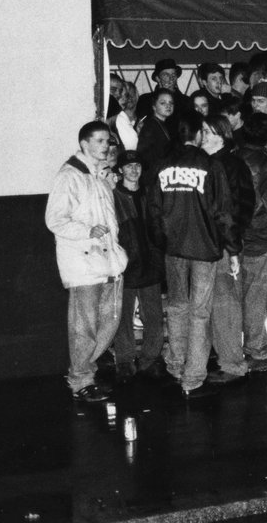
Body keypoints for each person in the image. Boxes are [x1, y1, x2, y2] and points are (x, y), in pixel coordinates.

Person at [146, 116, 236, 398]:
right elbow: (223, 211)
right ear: (198, 135)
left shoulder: (161, 165)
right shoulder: (211, 165)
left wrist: (163, 242)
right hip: (204, 248)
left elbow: (153, 211)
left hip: (173, 249)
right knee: (200, 312)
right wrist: (232, 248)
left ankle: (175, 363)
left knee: (176, 306)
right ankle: (193, 376)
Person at [45, 121, 127, 402]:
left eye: (108, 141)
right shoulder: (70, 176)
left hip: (107, 262)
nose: (106, 146)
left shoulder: (98, 177)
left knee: (110, 320)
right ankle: (81, 380)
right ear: (85, 144)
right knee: (85, 325)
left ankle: (83, 369)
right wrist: (86, 232)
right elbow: (54, 219)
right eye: (100, 141)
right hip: (83, 264)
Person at [202, 116, 255, 386]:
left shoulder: (226, 164)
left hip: (223, 243)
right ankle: (226, 356)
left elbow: (238, 206)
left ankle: (232, 362)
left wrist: (231, 241)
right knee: (218, 302)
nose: (202, 135)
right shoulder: (217, 163)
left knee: (225, 304)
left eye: (208, 131)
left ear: (221, 135)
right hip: (220, 241)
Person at [234, 111, 267, 373]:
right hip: (261, 237)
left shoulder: (231, 159)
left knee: (234, 295)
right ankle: (256, 350)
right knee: (257, 297)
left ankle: (234, 347)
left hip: (232, 239)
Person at [110, 150, 166, 380]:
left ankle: (151, 358)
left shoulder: (150, 194)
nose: (134, 170)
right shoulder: (113, 197)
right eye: (129, 166)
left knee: (153, 315)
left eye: (137, 166)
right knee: (123, 317)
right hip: (126, 265)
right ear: (120, 169)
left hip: (150, 263)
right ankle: (125, 360)